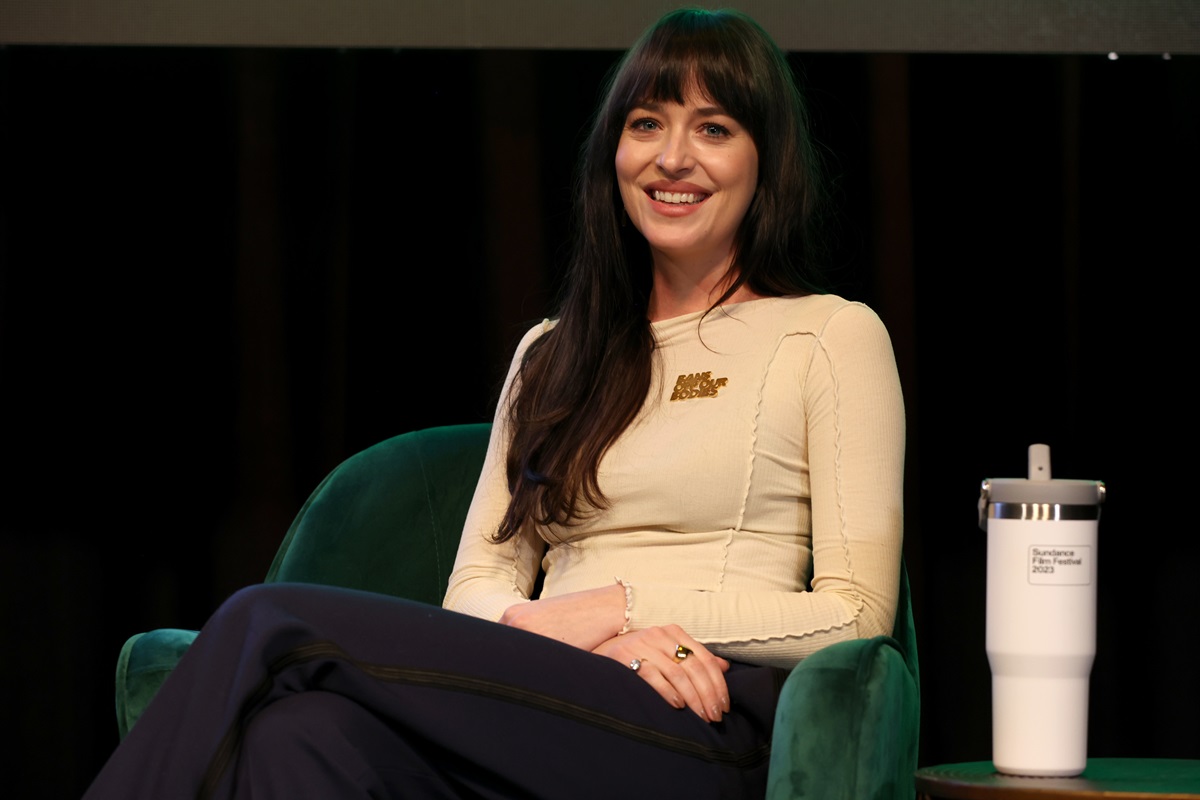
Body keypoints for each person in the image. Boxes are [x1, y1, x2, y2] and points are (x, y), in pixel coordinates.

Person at [83, 7, 904, 799]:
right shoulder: (553, 351)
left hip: (697, 718)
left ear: (767, 160)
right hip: (546, 697)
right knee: (298, 737)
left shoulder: (827, 336)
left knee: (269, 622)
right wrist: (597, 641)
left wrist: (625, 608)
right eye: (646, 124)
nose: (672, 158)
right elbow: (477, 582)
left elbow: (856, 614)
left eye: (715, 128)